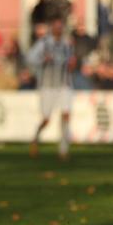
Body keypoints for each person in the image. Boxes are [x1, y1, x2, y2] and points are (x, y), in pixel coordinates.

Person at [27, 18, 75, 160]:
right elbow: (30, 58)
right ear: (52, 29)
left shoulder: (67, 44)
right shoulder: (44, 44)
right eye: (56, 27)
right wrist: (43, 59)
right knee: (46, 118)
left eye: (61, 27)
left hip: (64, 84)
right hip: (48, 85)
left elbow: (71, 62)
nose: (59, 30)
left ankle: (63, 149)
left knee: (66, 114)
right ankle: (35, 138)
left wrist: (73, 64)